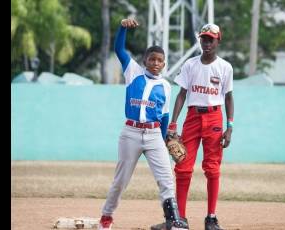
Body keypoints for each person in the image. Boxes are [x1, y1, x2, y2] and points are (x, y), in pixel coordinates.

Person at [98, 18, 188, 230]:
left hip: (155, 135)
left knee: (166, 178)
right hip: (130, 133)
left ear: (164, 64)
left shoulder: (166, 86)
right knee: (121, 181)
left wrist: (166, 139)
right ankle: (106, 216)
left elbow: (164, 116)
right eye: (152, 59)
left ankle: (173, 220)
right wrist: (122, 27)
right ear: (145, 60)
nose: (156, 63)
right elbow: (119, 49)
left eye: (160, 61)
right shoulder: (133, 72)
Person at [154, 23, 234, 230]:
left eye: (210, 39)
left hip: (215, 118)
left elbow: (229, 98)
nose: (206, 43)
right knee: (182, 168)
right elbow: (181, 95)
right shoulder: (190, 64)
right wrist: (173, 123)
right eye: (203, 39)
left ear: (218, 41)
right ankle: (180, 219)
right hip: (192, 117)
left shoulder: (225, 67)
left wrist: (230, 126)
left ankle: (211, 218)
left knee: (212, 169)